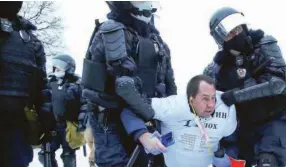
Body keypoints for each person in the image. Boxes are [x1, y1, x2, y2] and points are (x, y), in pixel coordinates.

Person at [81, 1, 177, 167]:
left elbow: (168, 83)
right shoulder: (111, 31)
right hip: (112, 122)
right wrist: (149, 113)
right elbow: (124, 85)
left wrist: (172, 114)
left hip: (149, 118)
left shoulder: (156, 40)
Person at [204, 7, 286, 167]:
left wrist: (236, 95)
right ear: (221, 39)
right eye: (229, 33)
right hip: (240, 128)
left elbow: (276, 83)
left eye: (237, 28)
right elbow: (203, 97)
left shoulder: (265, 45)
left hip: (272, 119)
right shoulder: (216, 68)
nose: (236, 34)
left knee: (269, 161)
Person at [0, 1, 54, 167]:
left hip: (14, 121)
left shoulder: (28, 38)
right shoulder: (28, 38)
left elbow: (40, 83)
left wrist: (46, 115)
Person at [120, 74, 237, 167]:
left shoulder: (226, 108)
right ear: (191, 99)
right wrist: (143, 135)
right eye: (205, 99)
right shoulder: (173, 106)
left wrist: (225, 158)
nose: (211, 105)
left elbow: (233, 141)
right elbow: (131, 110)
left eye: (213, 98)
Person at [38, 54, 84, 167]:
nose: (56, 69)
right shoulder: (49, 83)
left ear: (69, 68)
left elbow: (84, 104)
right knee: (45, 154)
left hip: (69, 125)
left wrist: (82, 120)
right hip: (51, 125)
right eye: (55, 67)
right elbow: (42, 101)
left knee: (68, 156)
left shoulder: (77, 85)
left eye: (60, 67)